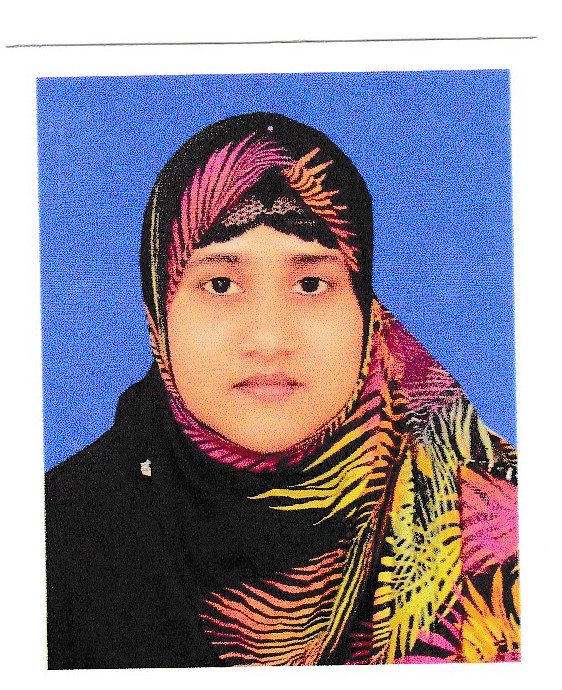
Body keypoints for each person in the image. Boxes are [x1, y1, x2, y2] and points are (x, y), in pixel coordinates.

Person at [45, 112, 519, 668]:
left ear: (367, 313)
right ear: (159, 314)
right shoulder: (52, 535)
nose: (269, 340)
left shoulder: (499, 525)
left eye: (311, 284)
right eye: (220, 284)